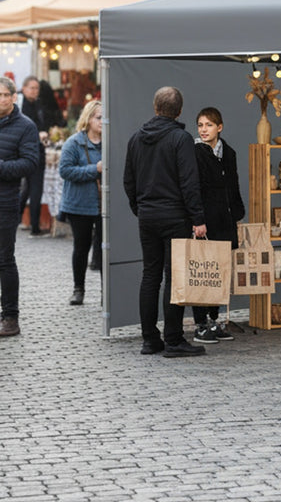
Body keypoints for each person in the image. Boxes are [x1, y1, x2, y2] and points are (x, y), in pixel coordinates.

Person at [123, 86, 208, 358]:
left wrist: (140, 208)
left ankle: (150, 339)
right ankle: (173, 340)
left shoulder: (136, 138)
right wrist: (198, 218)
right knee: (174, 278)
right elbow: (189, 182)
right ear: (180, 111)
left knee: (150, 275)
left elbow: (129, 181)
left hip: (147, 215)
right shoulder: (180, 139)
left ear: (155, 107)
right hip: (175, 216)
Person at [191, 107, 245, 344]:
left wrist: (238, 214)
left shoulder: (229, 153)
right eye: (200, 125)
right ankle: (201, 324)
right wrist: (196, 220)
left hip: (226, 219)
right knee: (202, 271)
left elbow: (234, 185)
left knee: (220, 271)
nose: (204, 129)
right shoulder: (194, 152)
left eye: (208, 125)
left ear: (219, 127)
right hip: (204, 222)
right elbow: (192, 188)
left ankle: (214, 319)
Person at [0, 77, 43, 337]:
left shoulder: (26, 126)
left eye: (5, 95)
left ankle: (10, 317)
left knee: (4, 260)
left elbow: (30, 164)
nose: (1, 99)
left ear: (13, 97)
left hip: (6, 201)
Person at [58, 100, 103, 306]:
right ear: (88, 119)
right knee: (81, 247)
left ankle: (106, 291)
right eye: (98, 117)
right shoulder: (74, 143)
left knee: (105, 248)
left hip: (105, 205)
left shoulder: (111, 143)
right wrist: (95, 169)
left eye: (105, 117)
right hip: (79, 204)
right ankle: (78, 289)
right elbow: (65, 171)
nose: (102, 121)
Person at [17, 76, 49, 236]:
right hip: (27, 153)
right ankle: (34, 228)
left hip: (38, 151)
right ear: (23, 88)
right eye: (32, 87)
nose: (35, 91)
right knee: (34, 188)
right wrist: (38, 135)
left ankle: (18, 220)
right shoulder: (20, 106)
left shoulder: (38, 104)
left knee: (29, 189)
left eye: (37, 88)